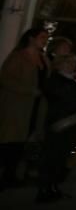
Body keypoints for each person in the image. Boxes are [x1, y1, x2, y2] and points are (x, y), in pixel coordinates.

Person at [0, 28, 48, 189]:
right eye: (42, 37)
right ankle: (7, 174)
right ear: (31, 39)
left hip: (36, 105)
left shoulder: (43, 59)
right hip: (17, 105)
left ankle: (13, 174)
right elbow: (6, 79)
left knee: (24, 139)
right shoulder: (19, 57)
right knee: (11, 139)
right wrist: (28, 90)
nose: (45, 40)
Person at [36, 52, 76, 202]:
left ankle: (54, 186)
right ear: (60, 64)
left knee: (61, 157)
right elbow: (58, 98)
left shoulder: (71, 81)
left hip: (70, 124)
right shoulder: (55, 80)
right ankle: (45, 189)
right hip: (58, 123)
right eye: (68, 63)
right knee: (51, 157)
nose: (72, 66)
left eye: (74, 63)